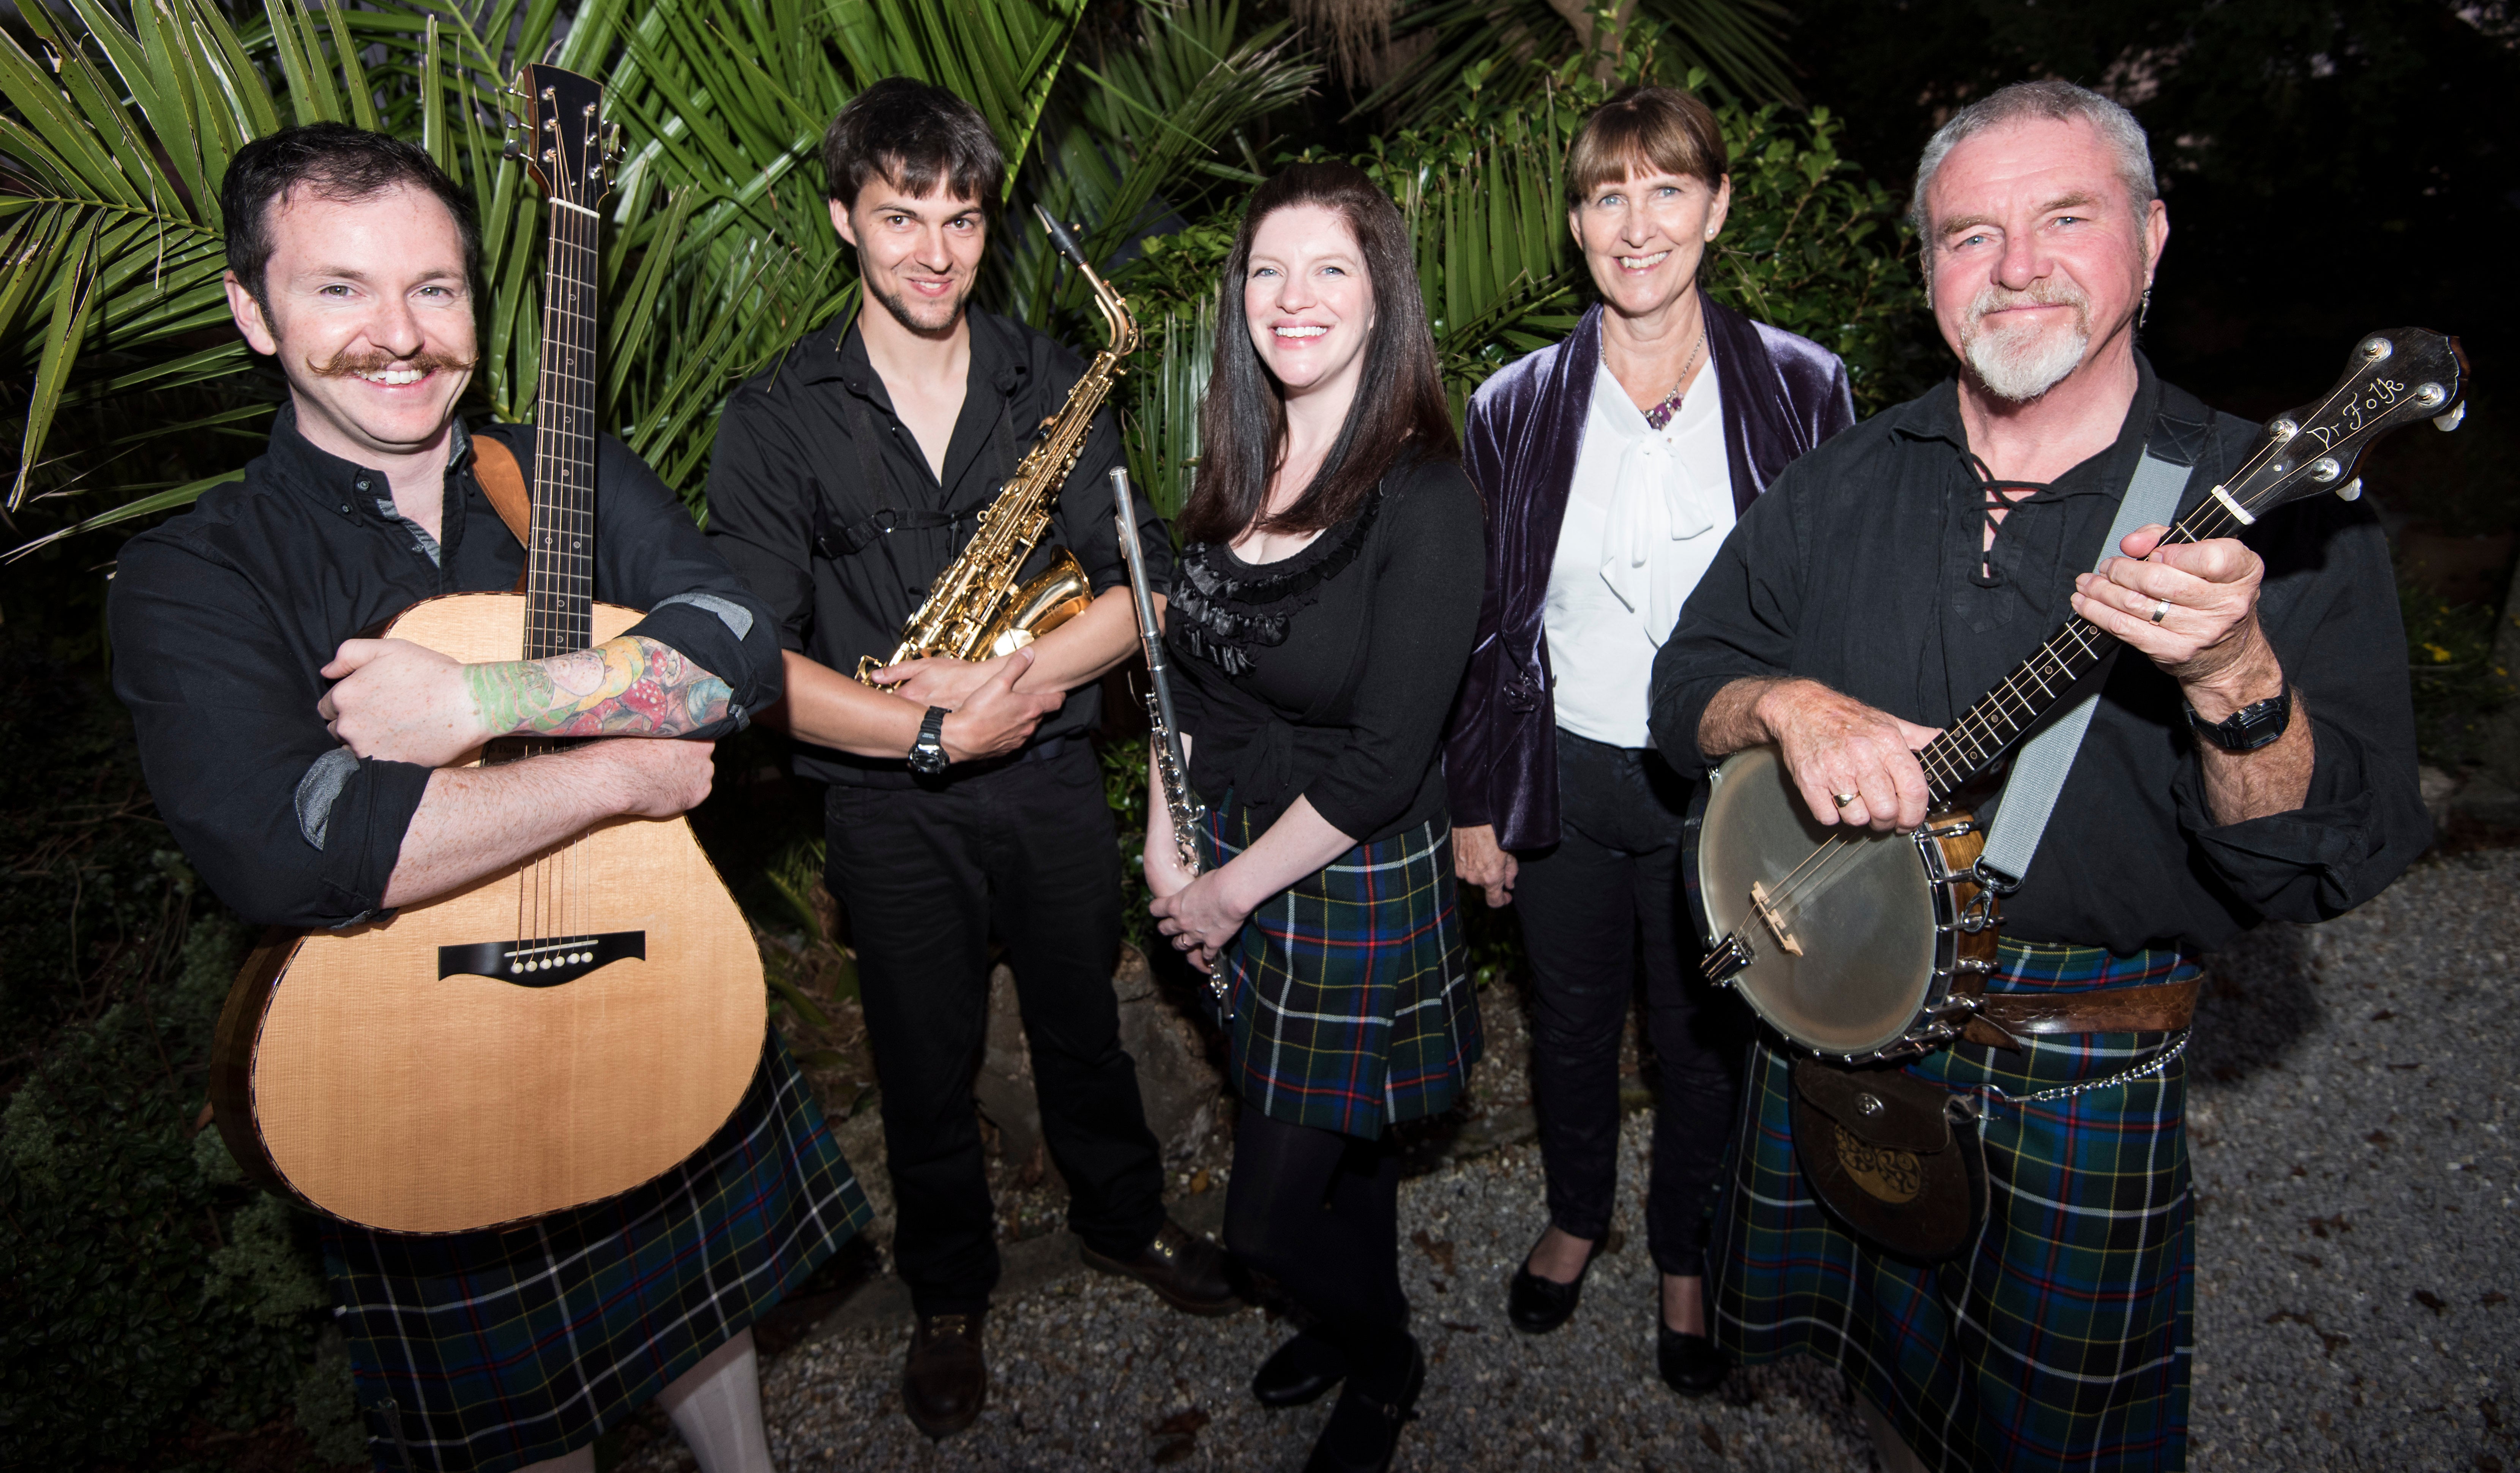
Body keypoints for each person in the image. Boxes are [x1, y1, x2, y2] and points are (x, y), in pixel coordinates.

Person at [1649, 80, 2430, 1471]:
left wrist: (2233, 679)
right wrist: (1784, 706)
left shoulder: (2277, 518)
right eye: (1970, 235)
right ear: (1929, 272)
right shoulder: (1843, 479)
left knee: (2054, 1437)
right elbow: (1686, 686)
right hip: (1831, 997)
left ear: (2152, 237)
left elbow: (2318, 864)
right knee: (1879, 1382)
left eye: (2065, 219)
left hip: (2074, 1067)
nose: (2015, 267)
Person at [109, 124, 870, 1473]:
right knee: (524, 1436)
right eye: (339, 288)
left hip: (648, 986)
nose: (399, 335)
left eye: (434, 288)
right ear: (252, 311)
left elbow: (743, 650)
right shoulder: (196, 574)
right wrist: (623, 765)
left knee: (711, 1333)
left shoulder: (560, 472)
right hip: (417, 1065)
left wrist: (484, 702)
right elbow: (300, 851)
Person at [702, 77, 1233, 1441]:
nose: (936, 252)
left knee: (1083, 1023)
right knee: (922, 1060)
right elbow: (753, 665)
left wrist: (1013, 685)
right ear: (844, 219)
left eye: (962, 218)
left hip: (1047, 775)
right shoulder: (775, 418)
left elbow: (1141, 588)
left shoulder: (1048, 379)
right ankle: (948, 1293)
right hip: (886, 806)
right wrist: (929, 729)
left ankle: (1123, 1218)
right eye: (902, 216)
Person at [1444, 85, 1855, 1393]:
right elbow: (1484, 624)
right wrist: (1476, 801)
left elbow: (1838, 606)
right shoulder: (1515, 402)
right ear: (1576, 224)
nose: (1638, 226)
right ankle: (1578, 1217)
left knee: (1703, 1037)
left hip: (1731, 789)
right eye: (1608, 196)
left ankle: (1685, 1253)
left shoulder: (1802, 384)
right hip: (1563, 776)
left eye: (1668, 190)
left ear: (1717, 208)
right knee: (1568, 1027)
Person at [1149, 161, 1486, 1473]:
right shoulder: (1240, 459)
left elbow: (1387, 760)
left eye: (1330, 269)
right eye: (1268, 271)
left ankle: (1383, 1354)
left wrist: (1225, 894)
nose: (1293, 298)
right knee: (1341, 1149)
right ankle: (1361, 1327)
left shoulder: (1427, 496)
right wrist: (1167, 844)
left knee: (1266, 1226)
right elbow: (1185, 674)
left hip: (1346, 870)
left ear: (1381, 294)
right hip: (1232, 844)